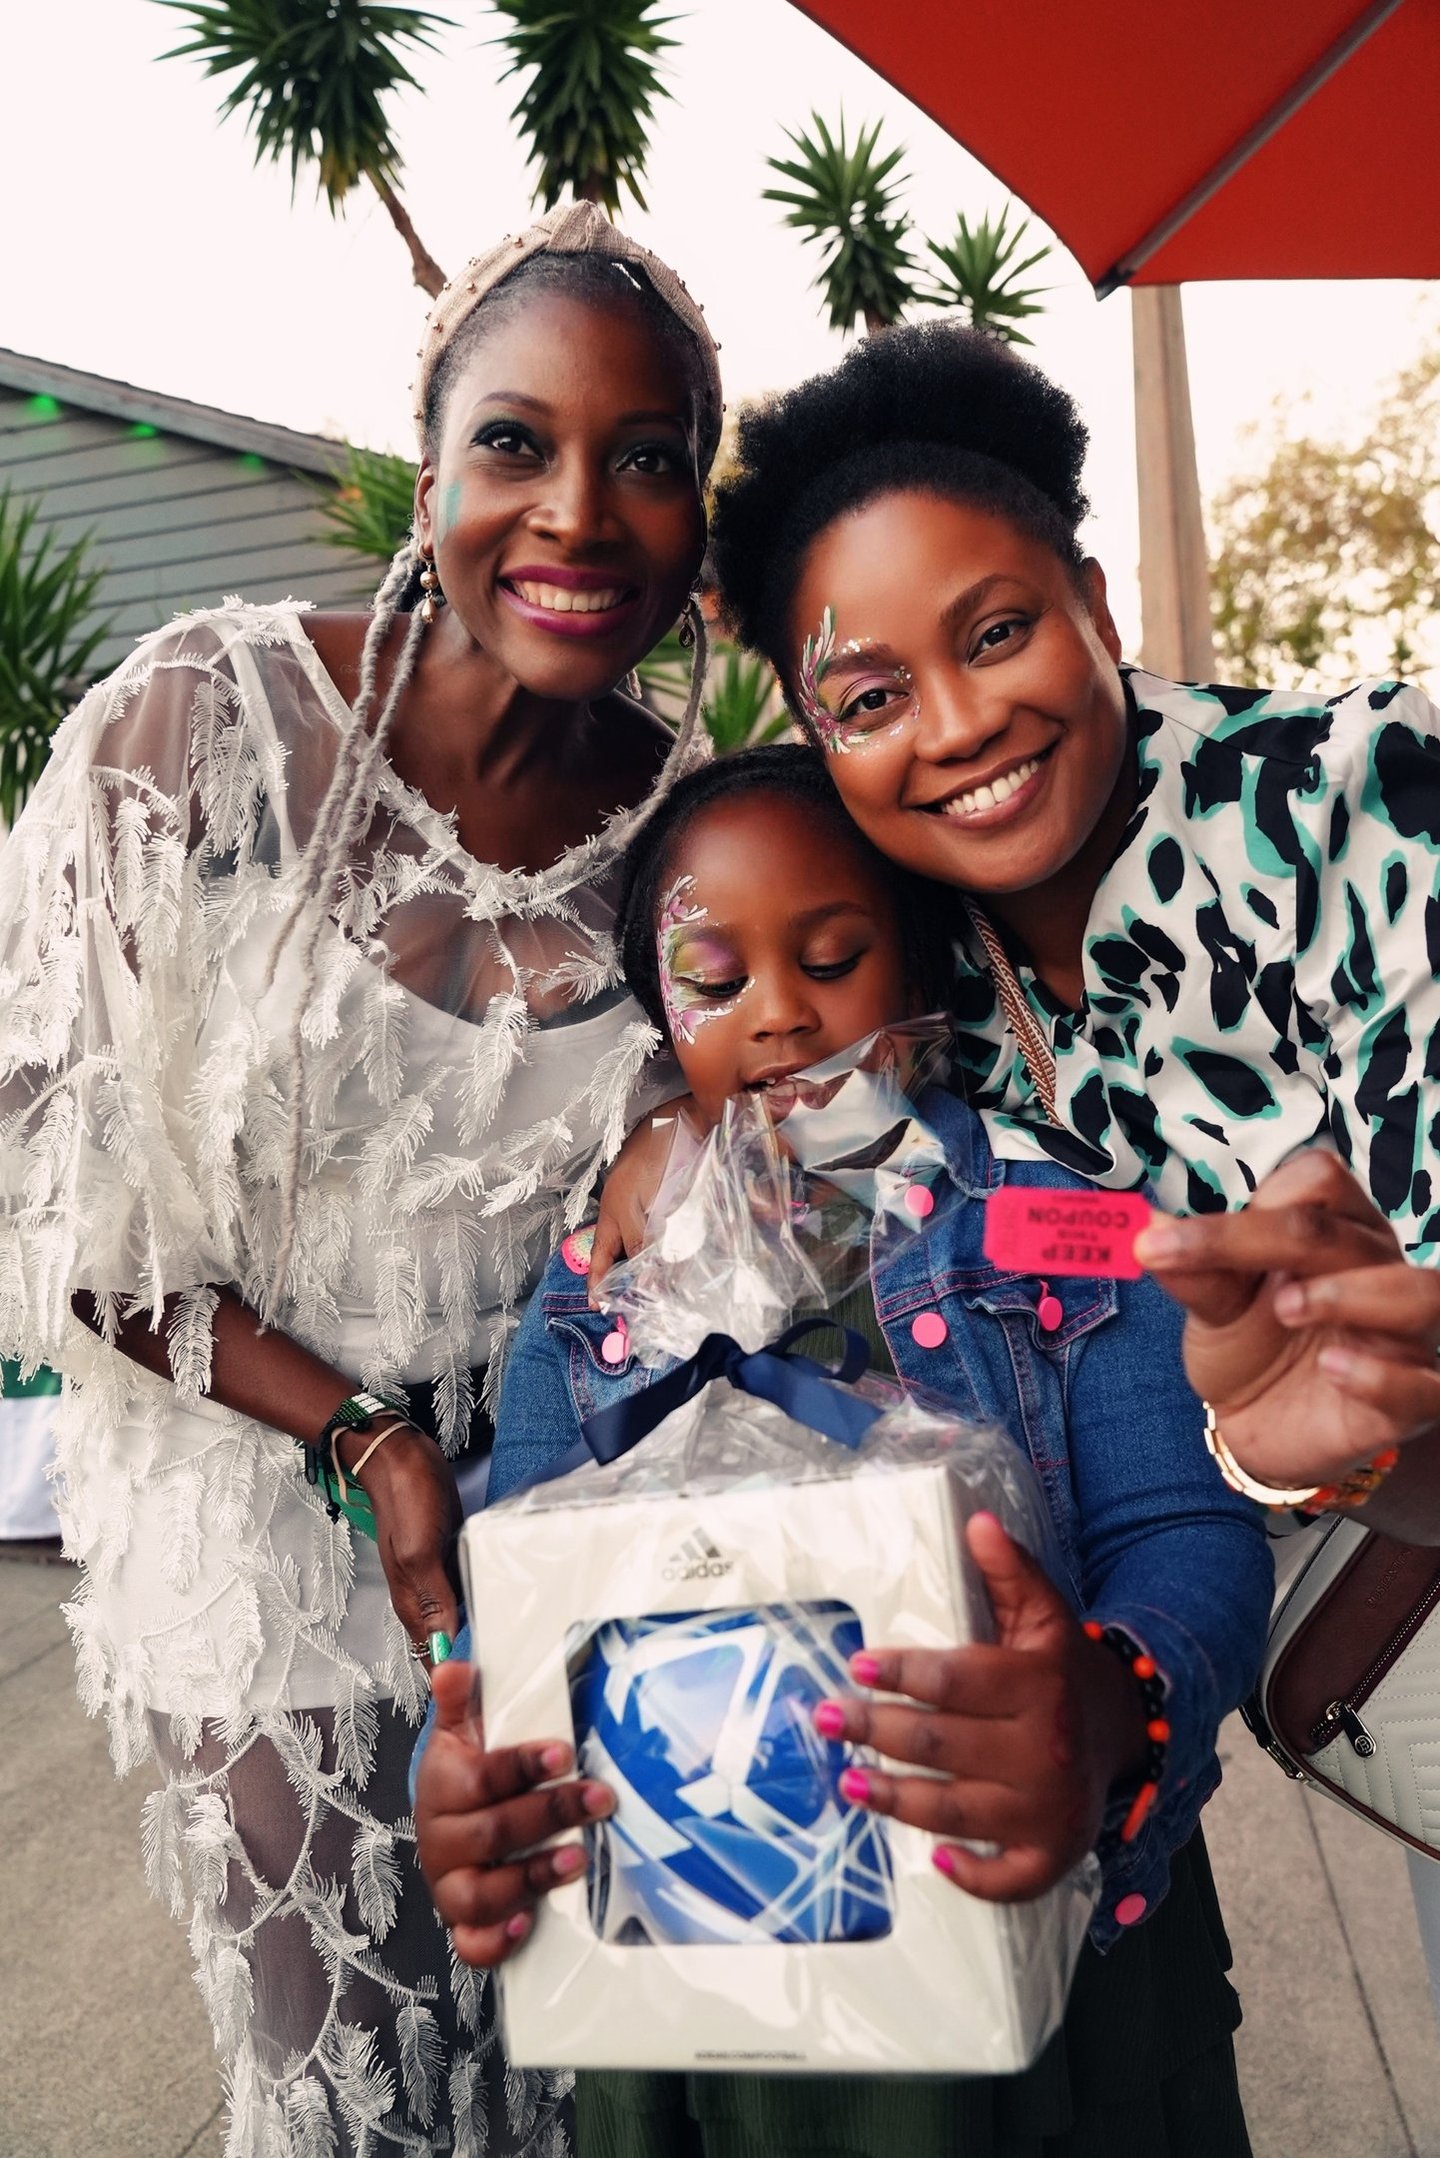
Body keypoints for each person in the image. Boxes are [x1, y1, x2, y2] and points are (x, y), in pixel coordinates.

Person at [0, 202, 722, 2157]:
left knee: (577, 2087)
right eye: (518, 442)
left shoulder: (698, 833)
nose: (578, 511)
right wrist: (367, 1439)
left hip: (564, 1522)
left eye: (647, 457)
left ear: (696, 523)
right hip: (263, 1508)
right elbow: (52, 1195)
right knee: (358, 2091)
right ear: (429, 471)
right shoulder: (201, 723)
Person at [698, 317, 1440, 1993]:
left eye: (999, 631)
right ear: (817, 733)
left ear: (1097, 608)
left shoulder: (1355, 802)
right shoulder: (913, 980)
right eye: (872, 696)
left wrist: (1333, 1432)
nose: (957, 724)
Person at [416, 745, 1273, 2158]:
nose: (780, 1013)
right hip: (696, 1996)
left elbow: (1184, 1531)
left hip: (1053, 1978)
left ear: (921, 964)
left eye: (832, 958)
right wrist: (461, 1783)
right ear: (658, 1008)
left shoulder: (1060, 1229)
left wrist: (1114, 1704)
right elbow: (514, 1614)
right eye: (714, 977)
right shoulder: (595, 1295)